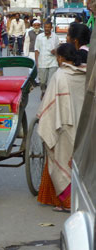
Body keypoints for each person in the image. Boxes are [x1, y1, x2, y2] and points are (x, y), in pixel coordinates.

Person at [37, 43, 86, 212]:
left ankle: (66, 202)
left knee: (61, 160)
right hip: (83, 125)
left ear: (61, 58)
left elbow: (48, 106)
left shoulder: (60, 75)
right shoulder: (85, 73)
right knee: (79, 161)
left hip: (64, 125)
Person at [35, 21, 59, 98]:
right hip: (42, 61)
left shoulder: (55, 37)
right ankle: (43, 91)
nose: (47, 29)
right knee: (42, 81)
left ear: (51, 28)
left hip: (53, 62)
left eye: (48, 27)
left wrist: (55, 51)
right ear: (43, 27)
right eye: (45, 27)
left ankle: (48, 96)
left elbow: (58, 49)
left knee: (51, 81)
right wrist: (37, 62)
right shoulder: (39, 37)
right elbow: (36, 50)